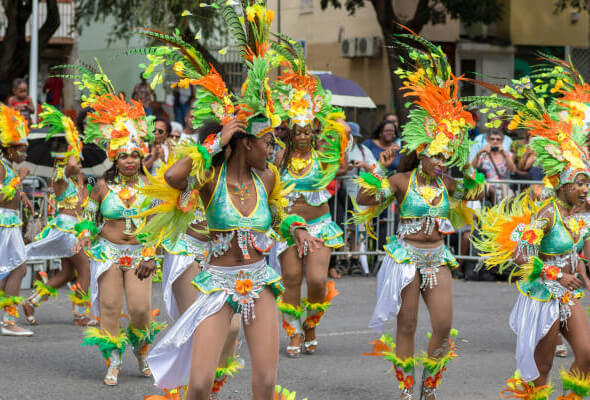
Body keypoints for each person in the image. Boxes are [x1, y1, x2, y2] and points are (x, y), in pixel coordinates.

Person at [135, 8, 321, 399]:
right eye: (268, 141)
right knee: (200, 384)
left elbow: (279, 217)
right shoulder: (211, 178)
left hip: (259, 282)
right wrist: (215, 142)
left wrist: (297, 228)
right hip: (216, 284)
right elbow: (173, 179)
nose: (274, 149)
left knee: (267, 381)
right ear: (246, 142)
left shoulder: (268, 177)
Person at [356, 33, 484, 400]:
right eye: (435, 155)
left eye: (445, 155)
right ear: (421, 152)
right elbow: (366, 198)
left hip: (438, 256)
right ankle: (406, 389)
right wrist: (379, 171)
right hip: (406, 257)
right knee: (408, 323)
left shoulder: (448, 184)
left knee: (443, 325)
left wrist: (470, 173)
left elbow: (477, 192)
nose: (440, 161)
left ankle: (430, 383)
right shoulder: (400, 180)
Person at [475, 68, 590, 398]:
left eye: (587, 183)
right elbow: (520, 254)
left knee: (586, 355)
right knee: (542, 369)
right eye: (579, 183)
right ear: (562, 184)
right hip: (542, 294)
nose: (585, 189)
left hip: (568, 294)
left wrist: (578, 266)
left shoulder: (581, 214)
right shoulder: (544, 214)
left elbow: (575, 248)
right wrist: (556, 272)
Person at [68, 65, 165, 386]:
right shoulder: (101, 186)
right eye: (123, 156)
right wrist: (83, 234)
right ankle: (113, 360)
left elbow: (157, 223)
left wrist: (151, 253)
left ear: (141, 157)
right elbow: (88, 216)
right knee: (109, 306)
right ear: (115, 158)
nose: (129, 161)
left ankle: (140, 350)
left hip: (139, 253)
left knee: (139, 311)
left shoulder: (152, 187)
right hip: (108, 252)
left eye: (134, 156)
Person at [272, 39, 349, 358]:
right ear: (289, 132)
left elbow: (343, 163)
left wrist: (340, 132)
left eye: (307, 130)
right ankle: (292, 333)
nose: (302, 135)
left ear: (314, 131)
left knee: (317, 280)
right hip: (289, 227)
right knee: (290, 279)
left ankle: (312, 324)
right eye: (297, 131)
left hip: (319, 225)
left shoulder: (325, 158)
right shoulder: (278, 160)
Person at [21, 105, 95, 326]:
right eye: (77, 159)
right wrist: (73, 142)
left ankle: (31, 302)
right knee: (85, 270)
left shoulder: (81, 179)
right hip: (67, 230)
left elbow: (80, 170)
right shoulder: (61, 177)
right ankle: (80, 314)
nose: (80, 163)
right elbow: (72, 164)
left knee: (65, 273)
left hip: (74, 228)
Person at [0, 104, 33, 336]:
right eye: (21, 149)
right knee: (18, 268)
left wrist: (23, 198)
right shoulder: (2, 168)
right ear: (9, 149)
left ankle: (8, 319)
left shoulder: (8, 167)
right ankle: (9, 321)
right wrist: (18, 180)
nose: (25, 154)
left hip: (10, 223)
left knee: (11, 270)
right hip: (3, 223)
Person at [343, 121, 376, 276]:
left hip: (359, 195)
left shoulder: (363, 151)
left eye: (354, 137)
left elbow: (376, 169)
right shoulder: (339, 150)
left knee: (358, 228)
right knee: (343, 228)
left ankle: (355, 260)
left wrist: (363, 165)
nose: (351, 140)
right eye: (349, 136)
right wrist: (345, 168)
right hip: (342, 193)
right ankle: (343, 259)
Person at [471, 128, 519, 204]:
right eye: (492, 139)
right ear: (488, 141)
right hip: (487, 186)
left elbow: (513, 169)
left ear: (502, 141)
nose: (495, 141)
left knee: (508, 195)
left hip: (503, 186)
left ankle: (504, 212)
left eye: (498, 139)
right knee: (490, 190)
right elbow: (473, 167)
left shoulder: (507, 154)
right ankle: (495, 209)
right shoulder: (483, 154)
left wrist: (504, 154)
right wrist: (480, 152)